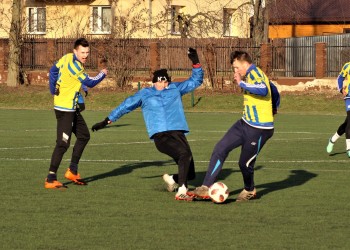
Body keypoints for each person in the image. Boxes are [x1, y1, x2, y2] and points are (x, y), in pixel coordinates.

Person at [91, 48, 203, 201]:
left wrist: (195, 62)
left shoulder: (175, 89)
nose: (164, 84)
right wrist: (107, 120)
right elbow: (126, 105)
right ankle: (182, 190)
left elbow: (195, 81)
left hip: (178, 134)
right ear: (154, 82)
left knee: (190, 173)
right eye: (161, 81)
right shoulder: (145, 94)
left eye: (166, 81)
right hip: (161, 136)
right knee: (184, 155)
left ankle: (172, 179)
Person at [188, 51, 275, 202]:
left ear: (245, 64)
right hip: (244, 123)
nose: (235, 71)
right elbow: (273, 89)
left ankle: (249, 189)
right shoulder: (251, 75)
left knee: (244, 163)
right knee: (220, 148)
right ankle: (206, 187)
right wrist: (275, 106)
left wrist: (241, 83)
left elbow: (264, 89)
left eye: (236, 67)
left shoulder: (255, 73)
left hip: (260, 129)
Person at [45, 38, 108, 189]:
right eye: (82, 52)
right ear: (75, 51)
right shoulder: (75, 65)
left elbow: (53, 70)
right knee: (62, 144)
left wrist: (54, 88)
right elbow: (91, 81)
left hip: (71, 108)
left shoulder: (66, 57)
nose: (85, 55)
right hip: (64, 109)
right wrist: (103, 73)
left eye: (87, 52)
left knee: (84, 135)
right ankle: (50, 178)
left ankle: (72, 170)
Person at [327, 61, 350, 156]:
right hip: (349, 97)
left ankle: (333, 139)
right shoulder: (347, 65)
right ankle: (349, 148)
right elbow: (340, 78)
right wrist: (341, 89)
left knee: (347, 123)